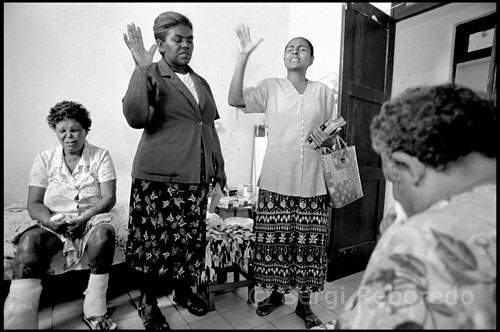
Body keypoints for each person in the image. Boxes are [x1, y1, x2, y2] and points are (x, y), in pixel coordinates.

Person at [335, 83, 496, 329]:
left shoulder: (420, 239)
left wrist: (395, 244)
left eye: (394, 181)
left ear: (410, 166)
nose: (397, 197)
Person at [228, 23, 338, 329]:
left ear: (311, 59)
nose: (294, 51)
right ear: (284, 57)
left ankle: (304, 305)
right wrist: (242, 57)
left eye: (301, 48)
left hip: (314, 183)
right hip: (276, 181)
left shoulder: (323, 93)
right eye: (290, 48)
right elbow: (235, 99)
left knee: (308, 247)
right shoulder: (269, 87)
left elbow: (334, 134)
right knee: (276, 244)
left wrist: (329, 139)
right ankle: (276, 293)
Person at [122, 11, 226, 330]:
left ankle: (182, 291)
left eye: (189, 39)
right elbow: (137, 116)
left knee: (186, 242)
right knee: (152, 244)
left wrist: (219, 172)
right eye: (177, 39)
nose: (185, 45)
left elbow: (207, 127)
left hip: (194, 178)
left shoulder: (201, 82)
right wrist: (140, 70)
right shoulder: (150, 72)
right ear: (161, 43)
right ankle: (149, 303)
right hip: (157, 177)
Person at [3, 100, 119, 330]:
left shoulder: (100, 156)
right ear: (55, 131)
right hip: (53, 218)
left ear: (86, 130)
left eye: (75, 130)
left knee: (105, 234)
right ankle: (20, 323)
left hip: (91, 216)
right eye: (62, 130)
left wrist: (84, 219)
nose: (69, 136)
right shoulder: (45, 159)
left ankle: (95, 309)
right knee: (29, 243)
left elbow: (108, 198)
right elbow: (34, 203)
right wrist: (49, 221)